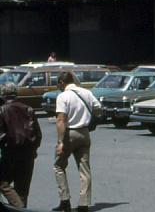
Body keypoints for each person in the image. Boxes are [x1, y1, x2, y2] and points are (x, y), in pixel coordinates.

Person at [53, 71, 100, 212]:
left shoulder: (63, 96)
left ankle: (65, 200)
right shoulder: (87, 93)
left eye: (58, 84)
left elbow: (61, 120)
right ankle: (84, 204)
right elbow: (98, 109)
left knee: (58, 166)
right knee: (84, 169)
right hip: (84, 133)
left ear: (62, 83)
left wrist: (60, 142)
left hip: (70, 133)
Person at [0, 82, 42, 208]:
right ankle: (21, 207)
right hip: (28, 154)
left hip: (10, 153)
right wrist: (33, 149)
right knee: (22, 188)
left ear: (2, 95)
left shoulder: (2, 110)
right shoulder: (28, 109)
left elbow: (1, 135)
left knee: (2, 182)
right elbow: (38, 134)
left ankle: (18, 207)